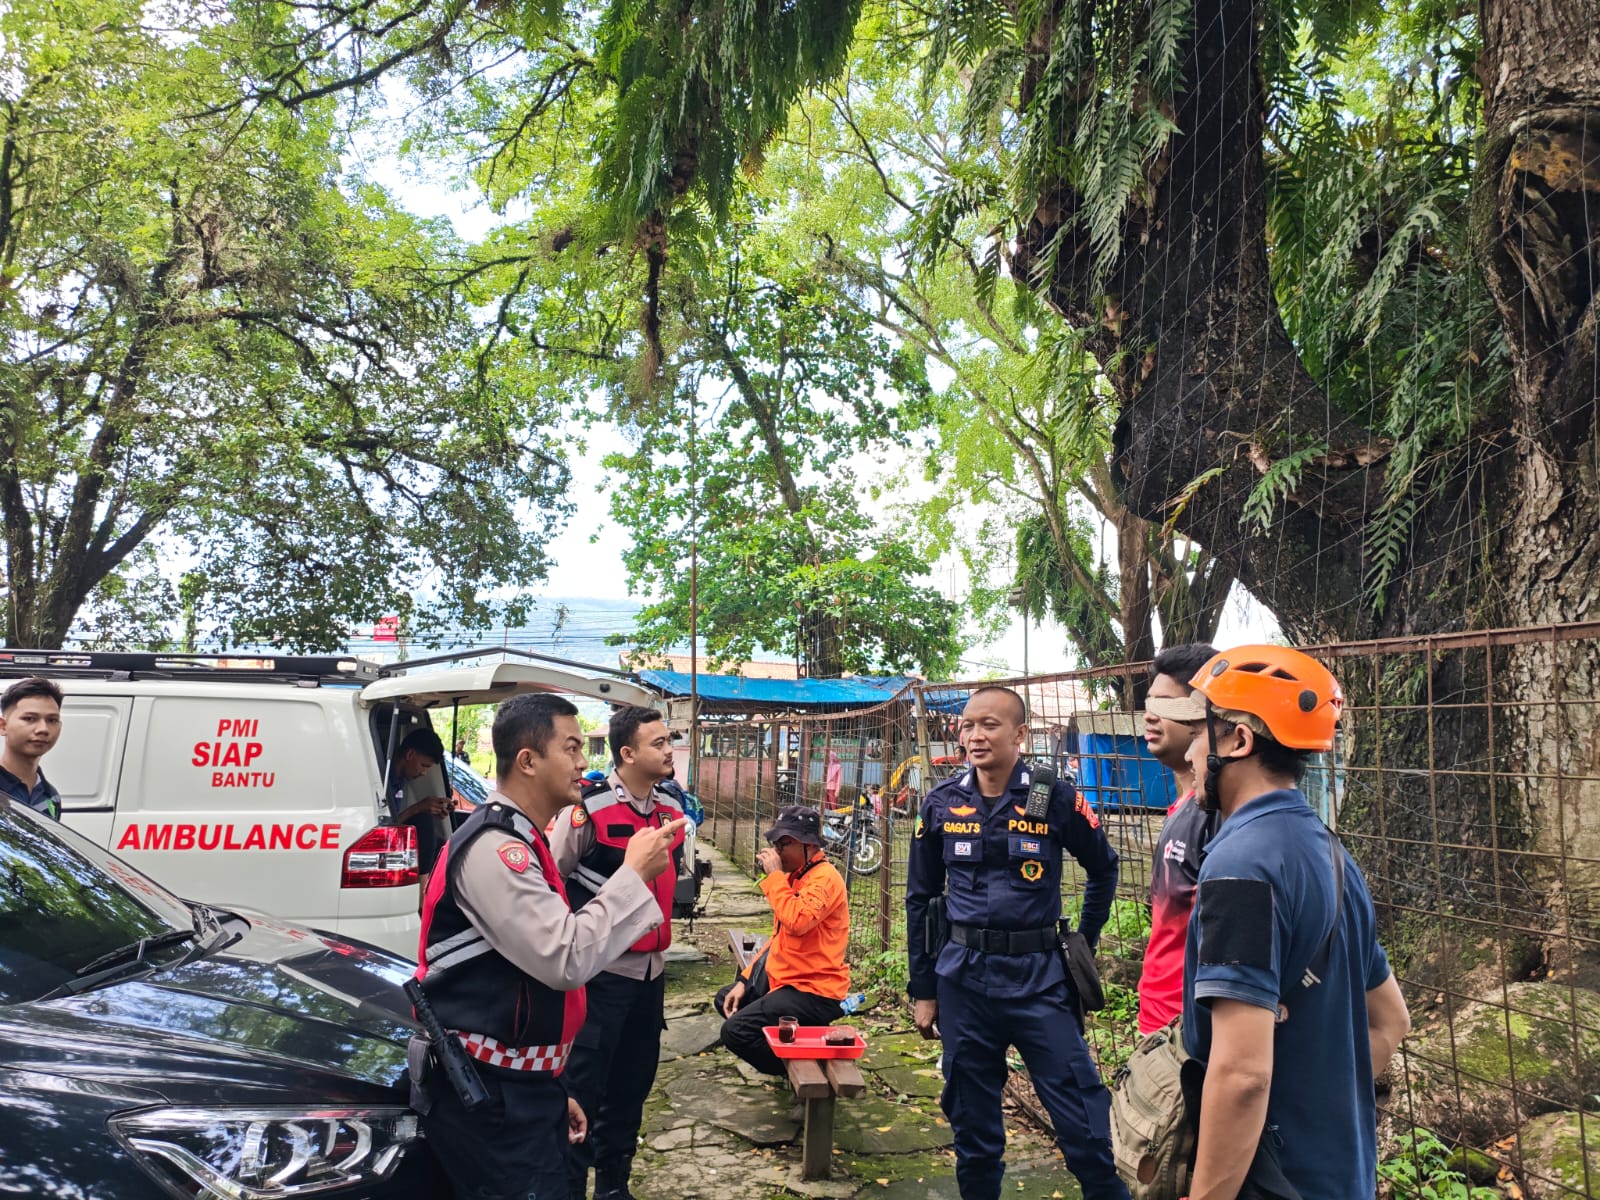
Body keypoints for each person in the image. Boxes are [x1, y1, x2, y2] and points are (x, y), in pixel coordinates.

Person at [414, 693, 686, 1200]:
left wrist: (550, 1087)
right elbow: (563, 957)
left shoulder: (525, 837)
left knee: (626, 1089)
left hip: (523, 1082)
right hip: (492, 1097)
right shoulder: (498, 848)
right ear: (528, 760)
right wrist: (632, 875)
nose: (584, 761)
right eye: (572, 747)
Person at [1180, 645, 1411, 1200]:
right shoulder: (1331, 854)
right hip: (1340, 1175)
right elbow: (1391, 1021)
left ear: (1237, 740)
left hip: (1274, 1182)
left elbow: (1242, 1076)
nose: (1188, 753)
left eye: (1197, 733)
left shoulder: (1240, 866)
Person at [906, 686, 1127, 1200]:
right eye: (967, 726)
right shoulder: (941, 803)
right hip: (963, 983)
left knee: (1084, 1124)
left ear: (1020, 735)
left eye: (989, 725)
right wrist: (924, 988)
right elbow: (920, 900)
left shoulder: (1053, 796)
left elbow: (1104, 868)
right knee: (973, 1131)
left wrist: (1083, 945)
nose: (975, 736)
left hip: (1039, 982)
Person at [550, 706, 686, 1200]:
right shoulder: (587, 810)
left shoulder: (670, 810)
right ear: (626, 753)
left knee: (631, 1090)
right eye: (658, 743)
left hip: (650, 976)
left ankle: (614, 1189)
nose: (669, 750)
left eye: (668, 740)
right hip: (599, 978)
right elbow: (549, 879)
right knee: (582, 1095)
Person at [715, 805, 850, 1074]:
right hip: (787, 980)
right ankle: (793, 1054)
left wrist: (775, 876)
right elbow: (778, 938)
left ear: (808, 845)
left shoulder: (825, 880)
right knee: (726, 999)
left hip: (814, 991)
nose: (776, 851)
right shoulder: (797, 875)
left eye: (784, 843)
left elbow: (797, 922)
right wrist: (745, 980)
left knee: (735, 1031)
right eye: (774, 843)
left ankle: (804, 1071)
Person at [1134, 642, 1218, 1035]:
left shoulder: (1216, 814)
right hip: (1158, 1019)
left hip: (1190, 1027)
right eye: (1150, 702)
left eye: (1167, 704)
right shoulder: (1181, 808)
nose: (1151, 715)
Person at [389, 727, 452, 883]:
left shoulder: (400, 780)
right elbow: (384, 826)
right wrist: (417, 808)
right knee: (422, 820)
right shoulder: (382, 780)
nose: (424, 773)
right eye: (424, 765)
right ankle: (422, 893)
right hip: (380, 844)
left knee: (440, 844)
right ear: (410, 754)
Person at [0, 677, 64, 819]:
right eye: (30, 718)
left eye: (52, 720)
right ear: (3, 726)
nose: (43, 729)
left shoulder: (51, 797)